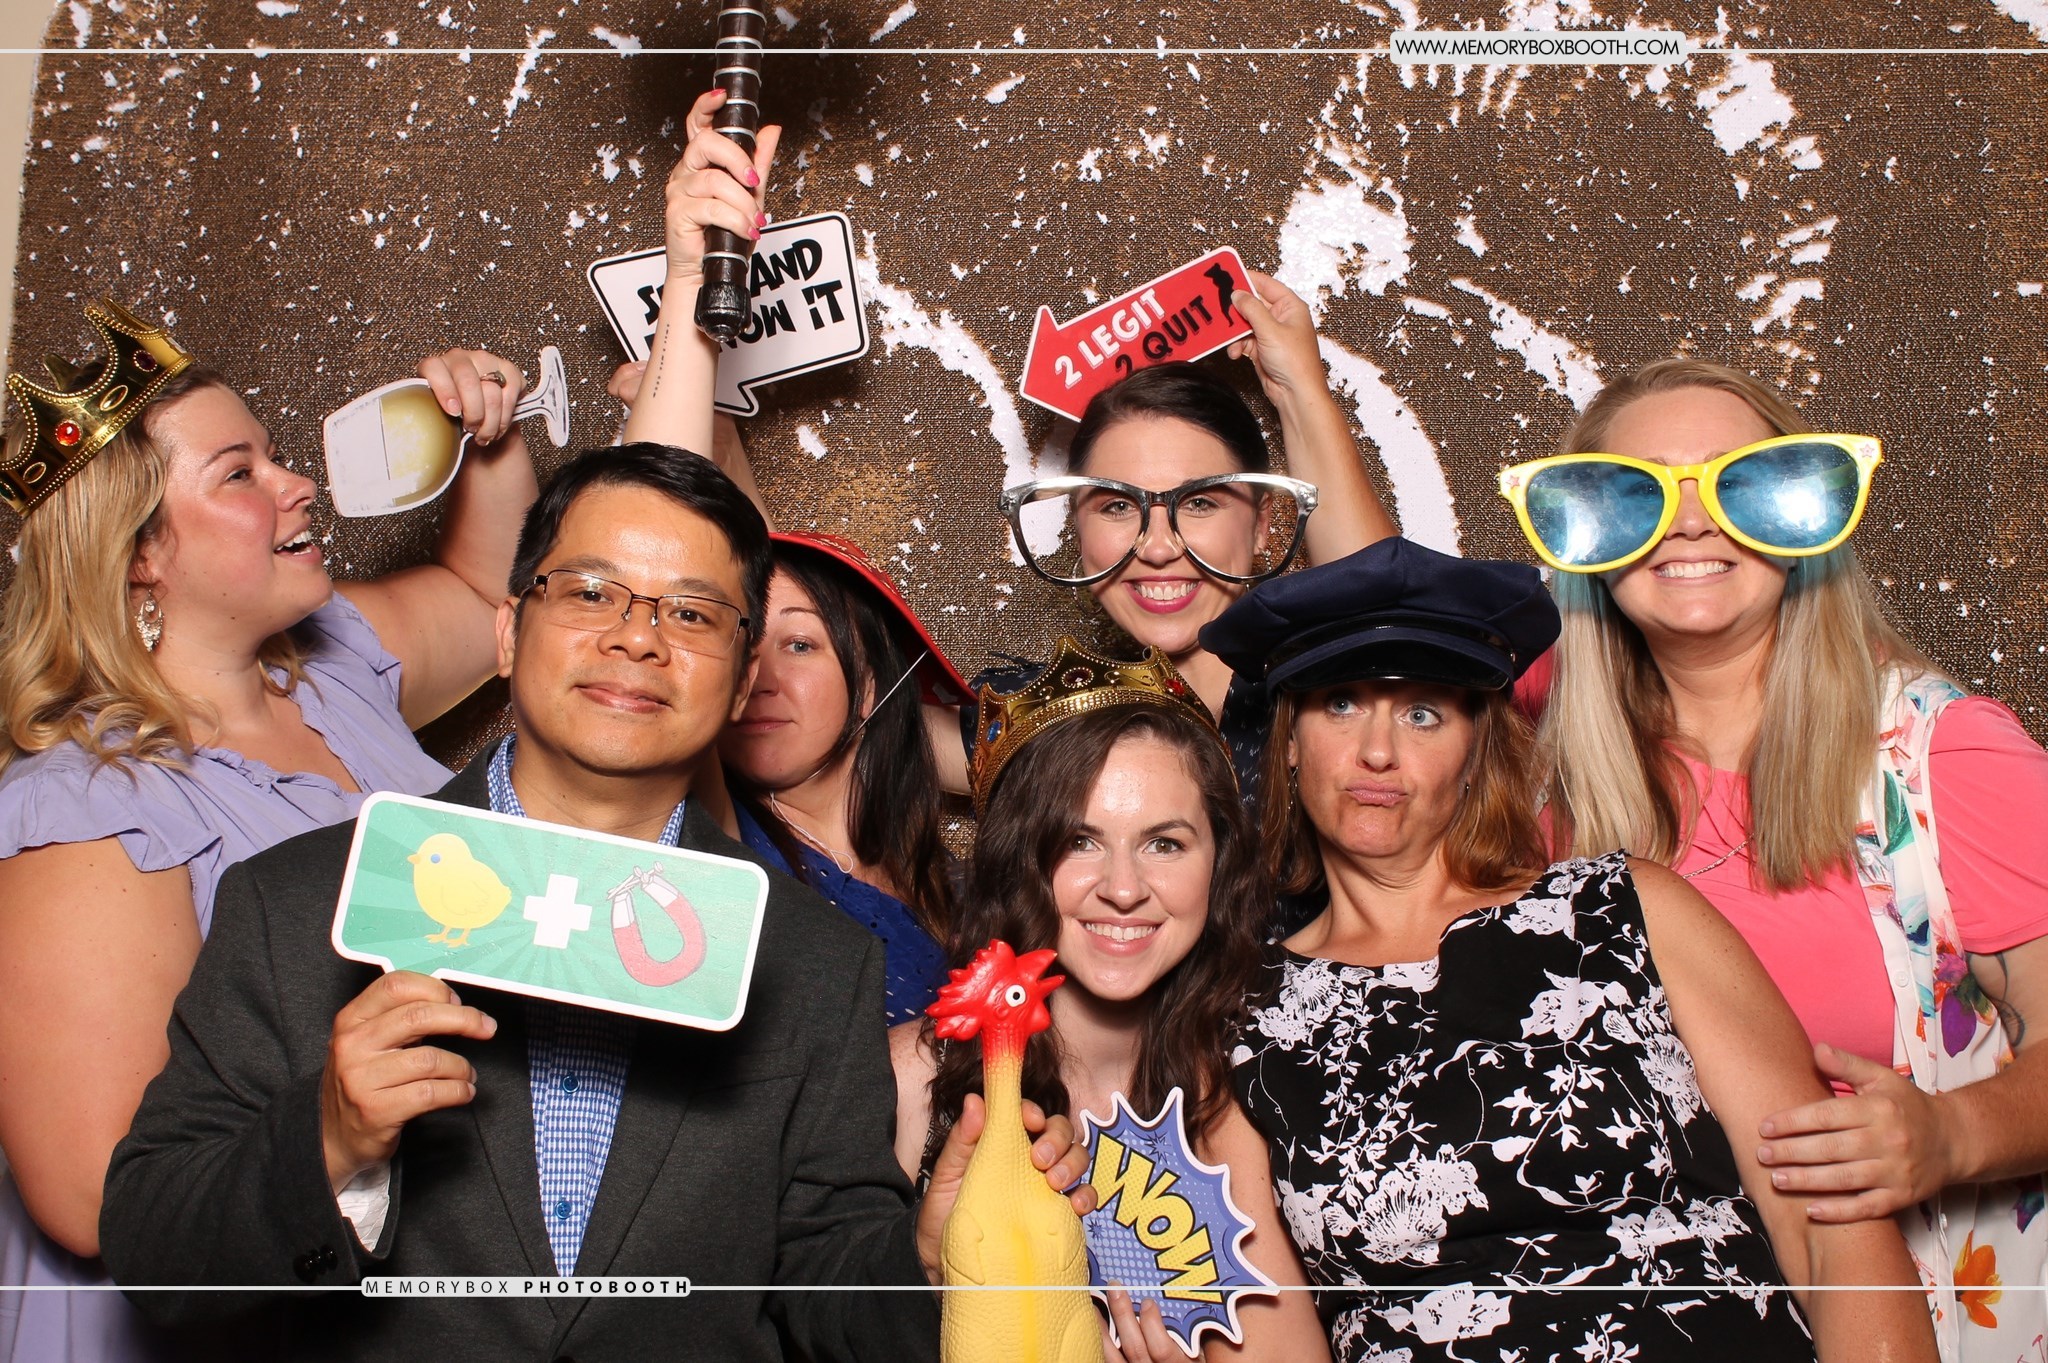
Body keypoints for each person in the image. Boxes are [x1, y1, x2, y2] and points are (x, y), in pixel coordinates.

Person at [96, 444, 1092, 1362]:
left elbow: (820, 1277)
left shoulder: (813, 961)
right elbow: (153, 1255)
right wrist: (327, 1137)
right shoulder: (299, 900)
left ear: (741, 679)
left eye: (692, 614)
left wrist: (923, 1261)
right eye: (589, 591)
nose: (637, 637)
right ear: (507, 630)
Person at [1198, 537, 1938, 1362]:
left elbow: (1830, 1225)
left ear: (1476, 749)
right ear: (1289, 739)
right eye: (1340, 703)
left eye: (1423, 713)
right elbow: (1270, 1338)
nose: (1378, 750)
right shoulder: (1237, 1021)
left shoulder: (1628, 909)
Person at [0, 300, 539, 1362]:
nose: (298, 484)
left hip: (391, 1281)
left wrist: (488, 439)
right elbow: (97, 1194)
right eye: (238, 473)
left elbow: (490, 601)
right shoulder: (88, 809)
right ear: (140, 554)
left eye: (275, 454)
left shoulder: (330, 669)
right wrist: (337, 1123)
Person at [613, 87, 1399, 808]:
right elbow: (824, 709)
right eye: (1116, 506)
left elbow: (1387, 608)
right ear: (1077, 529)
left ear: (1265, 522)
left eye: (1199, 502)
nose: (1156, 545)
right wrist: (712, 439)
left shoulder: (1342, 704)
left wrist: (1300, 385)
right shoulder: (1061, 723)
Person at [1500, 357, 2048, 1361]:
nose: (1689, 523)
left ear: (1806, 512)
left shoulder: (1939, 755)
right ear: (1585, 533)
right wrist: (1299, 380)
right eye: (1639, 493)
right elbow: (1366, 639)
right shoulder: (1547, 763)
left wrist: (1952, 1134)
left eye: (1735, 484)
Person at [889, 638, 1329, 1363]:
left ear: (1218, 864)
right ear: (1017, 861)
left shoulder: (1243, 1087)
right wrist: (935, 1275)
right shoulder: (912, 1080)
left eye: (1165, 844)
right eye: (1079, 841)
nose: (1123, 889)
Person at [723, 531, 968, 1024]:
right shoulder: (712, 842)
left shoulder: (950, 882)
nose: (759, 678)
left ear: (869, 686)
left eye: (799, 644)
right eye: (742, 645)